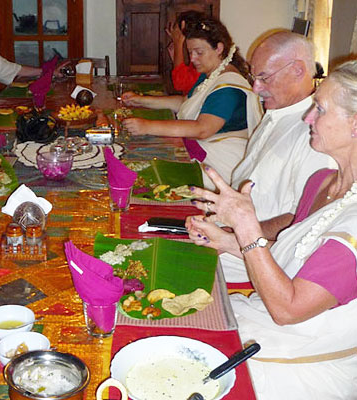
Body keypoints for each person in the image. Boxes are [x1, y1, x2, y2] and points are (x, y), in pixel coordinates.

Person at [186, 60, 357, 399]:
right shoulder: (323, 182)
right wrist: (229, 242)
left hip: (305, 361)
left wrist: (246, 226)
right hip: (269, 320)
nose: (308, 118)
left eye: (320, 110)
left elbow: (288, 309)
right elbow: (291, 253)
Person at [204, 31, 337, 282]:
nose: (256, 88)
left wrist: (235, 231)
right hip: (229, 231)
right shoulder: (277, 113)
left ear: (298, 70)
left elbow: (301, 222)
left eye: (264, 78)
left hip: (257, 256)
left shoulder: (315, 134)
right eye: (255, 78)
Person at [122, 16, 263, 186]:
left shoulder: (228, 88)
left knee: (144, 169)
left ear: (219, 48)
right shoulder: (212, 74)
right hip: (208, 150)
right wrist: (142, 101)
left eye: (199, 52)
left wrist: (147, 126)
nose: (193, 59)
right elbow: (185, 102)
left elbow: (203, 129)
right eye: (190, 52)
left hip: (222, 164)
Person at [165, 11, 202, 94]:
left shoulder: (204, 53)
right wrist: (176, 57)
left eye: (178, 34)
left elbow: (180, 84)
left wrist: (178, 43)